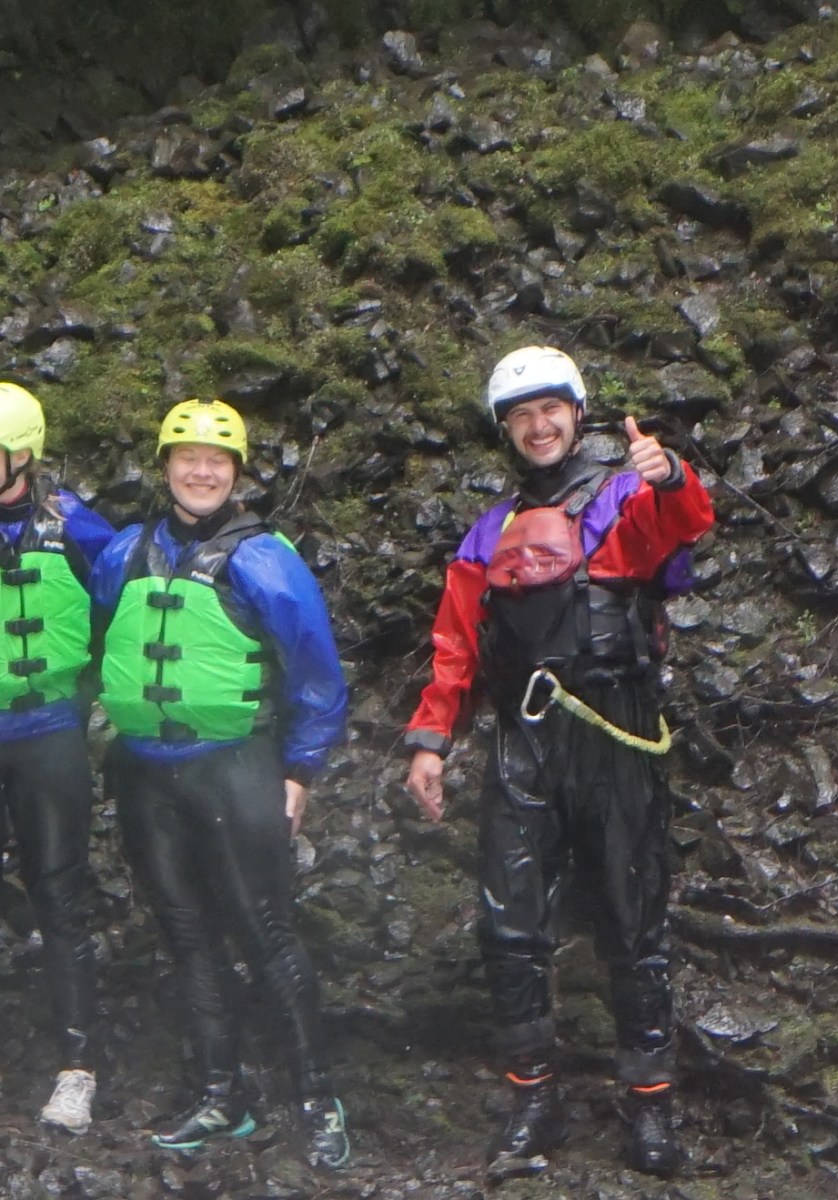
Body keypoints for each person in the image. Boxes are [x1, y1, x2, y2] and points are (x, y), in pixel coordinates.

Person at [404, 345, 715, 1178]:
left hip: (613, 730)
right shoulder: (488, 531)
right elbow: (454, 647)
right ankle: (533, 1102)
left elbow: (683, 524)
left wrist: (671, 472)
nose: (539, 427)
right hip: (523, 740)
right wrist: (432, 742)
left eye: (551, 411)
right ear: (506, 431)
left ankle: (648, 1107)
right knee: (509, 925)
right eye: (521, 417)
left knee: (631, 918)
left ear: (577, 415)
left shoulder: (623, 494)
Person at [88, 397, 351, 1169]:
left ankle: (317, 1098)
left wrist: (301, 768)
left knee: (265, 932)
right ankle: (218, 1096)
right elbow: (111, 634)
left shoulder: (265, 558)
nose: (202, 471)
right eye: (188, 457)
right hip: (147, 773)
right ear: (165, 465)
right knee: (187, 936)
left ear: (235, 474)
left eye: (218, 461)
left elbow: (315, 671)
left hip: (235, 767)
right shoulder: (125, 553)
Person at [0, 382, 114, 1135]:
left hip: (47, 732)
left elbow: (132, 603)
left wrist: (98, 696)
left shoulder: (73, 525)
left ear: (24, 453)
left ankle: (76, 1068)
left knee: (60, 893)